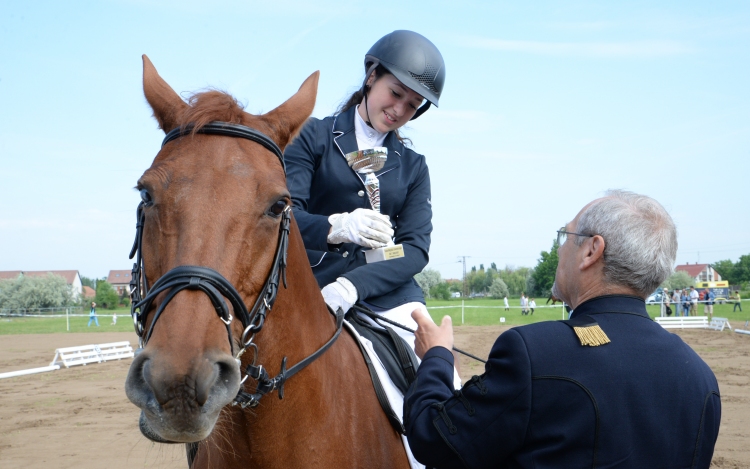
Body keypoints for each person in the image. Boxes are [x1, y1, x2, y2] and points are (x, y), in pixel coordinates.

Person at [404, 190, 720, 468]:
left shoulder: (534, 352)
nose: (558, 251)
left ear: (591, 251)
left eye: (565, 237)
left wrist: (436, 358)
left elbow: (434, 440)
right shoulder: (700, 376)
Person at [285, 30, 445, 352]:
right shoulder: (312, 136)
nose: (400, 110)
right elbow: (284, 216)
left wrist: (353, 285)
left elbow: (414, 248)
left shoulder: (413, 166)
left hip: (388, 293)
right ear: (372, 77)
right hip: (313, 283)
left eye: (412, 105)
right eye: (396, 93)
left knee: (439, 370)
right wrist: (336, 227)